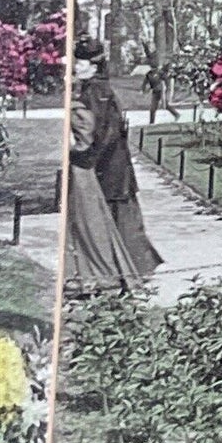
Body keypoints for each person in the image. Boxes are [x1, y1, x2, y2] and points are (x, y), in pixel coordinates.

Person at [74, 39, 161, 277]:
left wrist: (83, 158)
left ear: (93, 66)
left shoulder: (95, 92)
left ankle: (126, 274)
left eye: (79, 63)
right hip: (116, 165)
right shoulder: (101, 89)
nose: (75, 67)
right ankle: (134, 272)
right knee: (124, 221)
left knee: (116, 221)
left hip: (108, 167)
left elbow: (104, 134)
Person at [65, 67, 144, 293]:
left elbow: (89, 138)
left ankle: (103, 275)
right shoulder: (91, 98)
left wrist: (78, 152)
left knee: (92, 223)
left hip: (88, 170)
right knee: (92, 223)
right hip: (91, 169)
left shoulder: (87, 103)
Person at [143, 57, 179, 124]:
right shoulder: (149, 74)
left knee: (165, 105)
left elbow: (166, 81)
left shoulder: (160, 73)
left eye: (154, 67)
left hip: (162, 91)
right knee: (153, 108)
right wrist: (144, 89)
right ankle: (151, 122)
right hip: (155, 92)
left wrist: (166, 90)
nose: (154, 68)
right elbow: (146, 82)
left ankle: (176, 114)